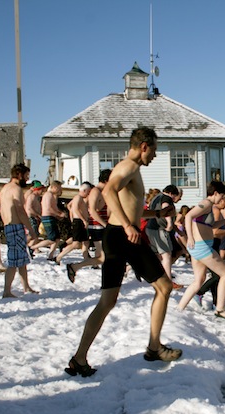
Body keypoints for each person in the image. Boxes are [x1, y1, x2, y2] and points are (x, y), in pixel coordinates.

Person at [66, 127, 181, 377]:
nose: (155, 155)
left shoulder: (133, 169)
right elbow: (108, 192)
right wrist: (129, 226)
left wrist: (156, 214)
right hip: (123, 237)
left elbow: (132, 210)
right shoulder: (128, 166)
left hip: (119, 237)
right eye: (154, 150)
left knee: (109, 301)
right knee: (163, 287)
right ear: (144, 146)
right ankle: (153, 348)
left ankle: (79, 358)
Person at [177, 181, 225, 320]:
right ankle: (220, 309)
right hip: (202, 247)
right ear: (215, 193)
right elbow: (188, 216)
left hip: (200, 247)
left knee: (199, 281)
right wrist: (190, 237)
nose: (222, 200)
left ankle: (179, 308)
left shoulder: (209, 206)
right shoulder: (207, 203)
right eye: (221, 196)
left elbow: (211, 225)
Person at [0, 163, 38, 298]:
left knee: (22, 259)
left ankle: (26, 287)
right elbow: (20, 210)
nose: (27, 179)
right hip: (15, 226)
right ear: (20, 175)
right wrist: (31, 229)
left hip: (8, 226)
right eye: (26, 176)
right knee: (14, 261)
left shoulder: (4, 189)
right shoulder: (15, 189)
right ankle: (7, 291)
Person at [67, 169, 111, 282]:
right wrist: (105, 224)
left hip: (100, 226)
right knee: (103, 257)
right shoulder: (96, 191)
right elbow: (93, 211)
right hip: (97, 227)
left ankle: (75, 267)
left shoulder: (102, 191)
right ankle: (75, 267)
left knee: (104, 256)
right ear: (107, 180)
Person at [145, 184, 182, 287]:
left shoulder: (156, 197)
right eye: (176, 196)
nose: (176, 199)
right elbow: (166, 208)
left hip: (150, 227)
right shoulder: (166, 198)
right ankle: (167, 281)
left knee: (157, 255)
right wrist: (169, 223)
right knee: (166, 255)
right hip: (159, 229)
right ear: (171, 193)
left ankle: (157, 276)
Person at [57, 182, 93, 271]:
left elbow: (70, 206)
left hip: (80, 221)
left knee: (86, 242)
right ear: (84, 190)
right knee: (75, 244)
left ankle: (87, 260)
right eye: (88, 191)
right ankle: (58, 257)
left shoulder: (79, 198)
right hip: (79, 222)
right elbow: (76, 209)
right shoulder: (78, 197)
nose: (89, 193)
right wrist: (82, 219)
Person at [37, 181, 67, 261]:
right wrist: (59, 214)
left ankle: (50, 256)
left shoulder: (53, 196)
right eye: (58, 188)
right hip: (47, 217)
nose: (59, 190)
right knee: (51, 239)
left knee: (57, 238)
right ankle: (33, 247)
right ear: (54, 187)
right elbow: (48, 209)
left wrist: (59, 213)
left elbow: (54, 208)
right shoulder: (48, 195)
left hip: (51, 217)